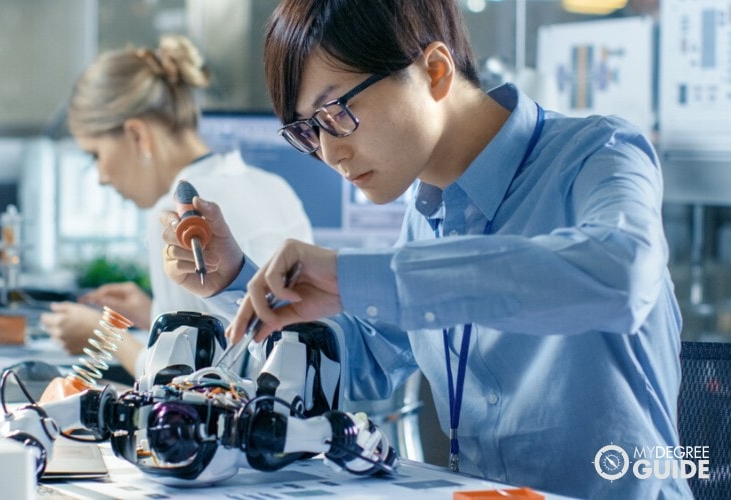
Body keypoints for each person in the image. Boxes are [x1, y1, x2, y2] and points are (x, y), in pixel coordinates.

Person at [159, 1, 690, 498]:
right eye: (309, 132)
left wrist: (358, 276)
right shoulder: (428, 214)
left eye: (338, 111)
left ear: (435, 71)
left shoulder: (597, 152)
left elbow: (618, 273)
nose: (330, 152)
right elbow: (367, 359)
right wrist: (235, 278)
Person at [40, 34, 313, 377]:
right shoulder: (272, 186)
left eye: (96, 155)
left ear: (137, 135)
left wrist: (105, 336)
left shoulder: (176, 218)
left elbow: (176, 381)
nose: (100, 178)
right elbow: (249, 323)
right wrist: (153, 312)